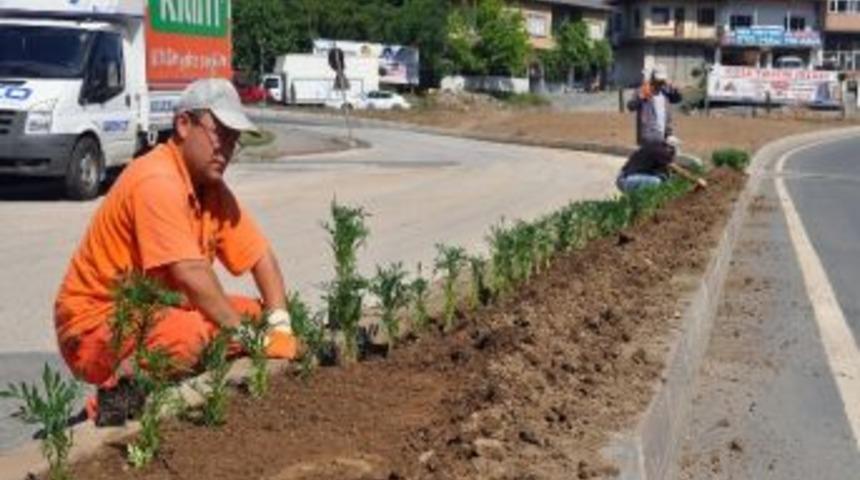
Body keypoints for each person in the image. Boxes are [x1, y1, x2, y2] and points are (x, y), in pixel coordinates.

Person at [54, 78, 299, 425]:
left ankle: (155, 383)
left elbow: (261, 256)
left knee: (257, 316)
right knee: (197, 334)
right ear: (184, 124)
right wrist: (249, 339)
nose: (225, 149)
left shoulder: (209, 187)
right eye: (219, 133)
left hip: (153, 314)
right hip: (94, 324)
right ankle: (100, 411)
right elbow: (191, 273)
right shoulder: (157, 179)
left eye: (233, 139)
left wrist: (280, 324)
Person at [616, 136, 707, 192]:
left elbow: (667, 172)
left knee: (663, 178)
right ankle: (642, 203)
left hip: (625, 177)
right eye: (674, 151)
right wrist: (696, 180)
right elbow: (677, 169)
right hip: (626, 180)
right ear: (671, 148)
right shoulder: (662, 152)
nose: (673, 155)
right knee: (657, 182)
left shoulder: (656, 146)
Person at [627, 64, 682, 147]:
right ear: (652, 78)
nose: (660, 84)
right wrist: (640, 97)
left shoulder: (666, 91)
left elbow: (677, 99)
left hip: (663, 136)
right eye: (658, 81)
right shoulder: (643, 90)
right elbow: (630, 106)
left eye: (662, 81)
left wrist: (676, 91)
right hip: (647, 137)